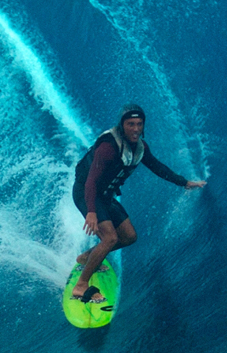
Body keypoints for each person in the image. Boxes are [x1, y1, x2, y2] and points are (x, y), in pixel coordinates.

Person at [70, 104, 204, 306]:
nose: (135, 128)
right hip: (86, 193)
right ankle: (80, 286)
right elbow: (90, 182)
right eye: (130, 124)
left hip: (105, 196)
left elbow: (157, 167)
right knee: (110, 238)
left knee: (129, 237)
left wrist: (184, 183)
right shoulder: (108, 147)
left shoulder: (141, 148)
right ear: (122, 125)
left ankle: (86, 258)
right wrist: (91, 212)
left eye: (139, 124)